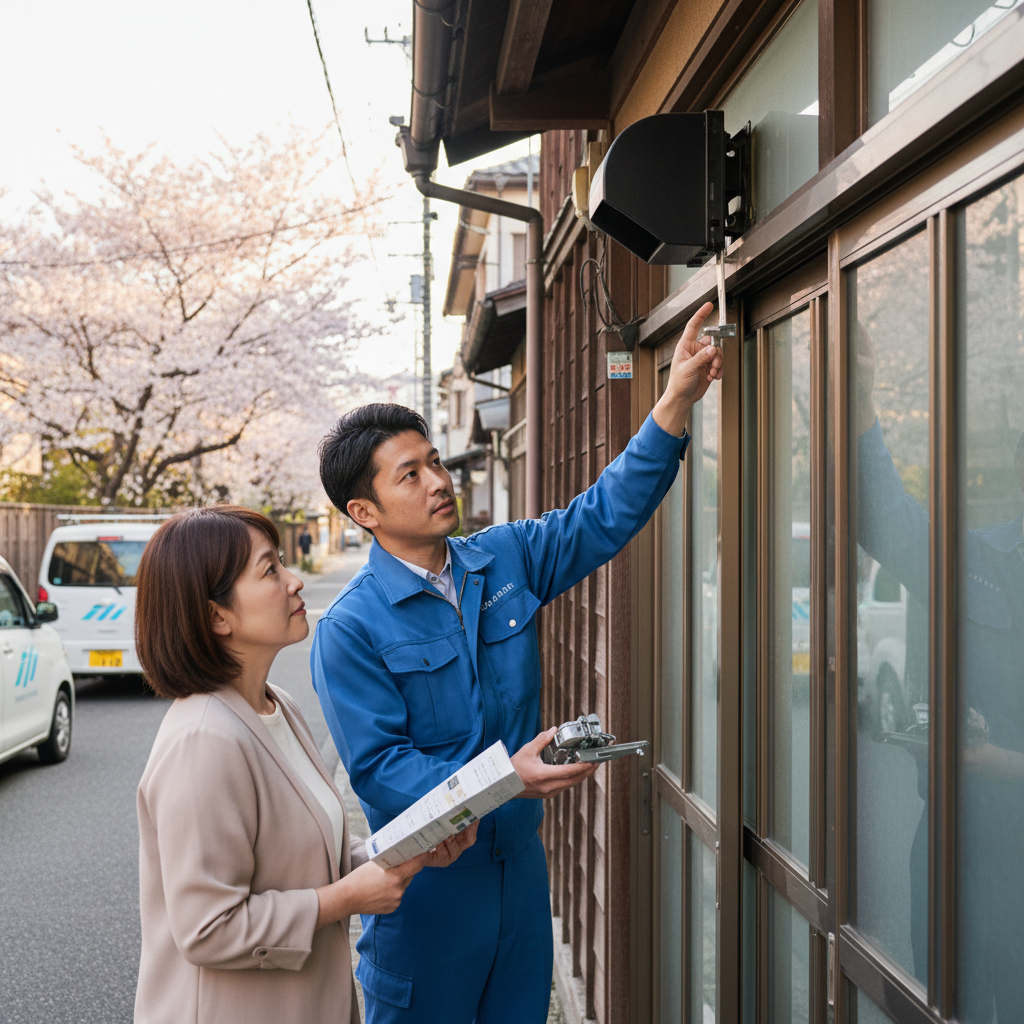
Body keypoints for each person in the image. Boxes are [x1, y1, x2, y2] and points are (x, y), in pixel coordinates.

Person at [311, 302, 722, 1024]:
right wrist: (505, 777)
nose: (438, 480)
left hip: (522, 880)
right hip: (427, 889)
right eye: (409, 475)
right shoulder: (349, 629)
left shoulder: (505, 556)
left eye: (434, 460)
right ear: (364, 512)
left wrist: (674, 402)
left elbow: (603, 515)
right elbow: (383, 773)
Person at [132, 505, 476, 1024]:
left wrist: (411, 850)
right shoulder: (203, 740)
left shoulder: (277, 706)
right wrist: (343, 899)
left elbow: (308, 859)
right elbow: (207, 928)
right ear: (215, 616)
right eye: (270, 570)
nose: (295, 583)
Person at [855, 334, 1024, 1020]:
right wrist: (860, 399)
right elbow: (885, 521)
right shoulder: (981, 560)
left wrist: (994, 761)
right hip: (958, 859)